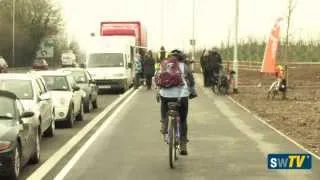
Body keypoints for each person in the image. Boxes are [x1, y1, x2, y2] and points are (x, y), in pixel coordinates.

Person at [156, 49, 197, 155]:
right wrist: (192, 93)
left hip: (165, 96)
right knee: (183, 120)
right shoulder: (185, 67)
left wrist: (158, 92)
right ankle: (183, 145)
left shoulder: (164, 65)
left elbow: (157, 79)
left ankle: (164, 123)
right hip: (181, 97)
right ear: (182, 58)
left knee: (163, 103)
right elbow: (191, 82)